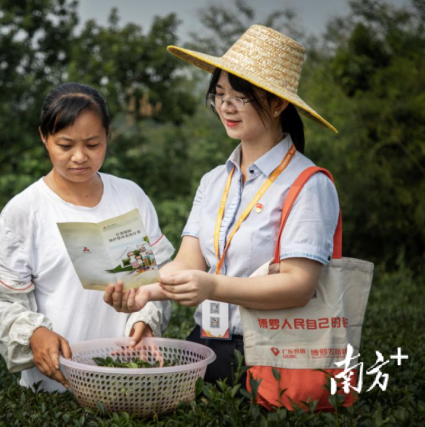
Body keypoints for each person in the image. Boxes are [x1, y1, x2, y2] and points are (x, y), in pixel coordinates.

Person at [103, 25, 340, 387]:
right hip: (206, 344)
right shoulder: (214, 181)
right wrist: (142, 293)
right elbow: (187, 264)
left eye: (239, 97)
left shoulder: (308, 184)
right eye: (219, 94)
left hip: (274, 356)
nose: (225, 107)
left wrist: (212, 287)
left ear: (278, 104)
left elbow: (299, 286)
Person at [0, 82, 175, 392]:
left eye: (92, 144)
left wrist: (145, 321)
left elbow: (152, 279)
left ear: (109, 135)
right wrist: (34, 335)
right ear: (44, 137)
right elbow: (2, 301)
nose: (79, 157)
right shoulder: (25, 211)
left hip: (126, 382)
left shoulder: (130, 197)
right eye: (65, 145)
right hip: (52, 388)